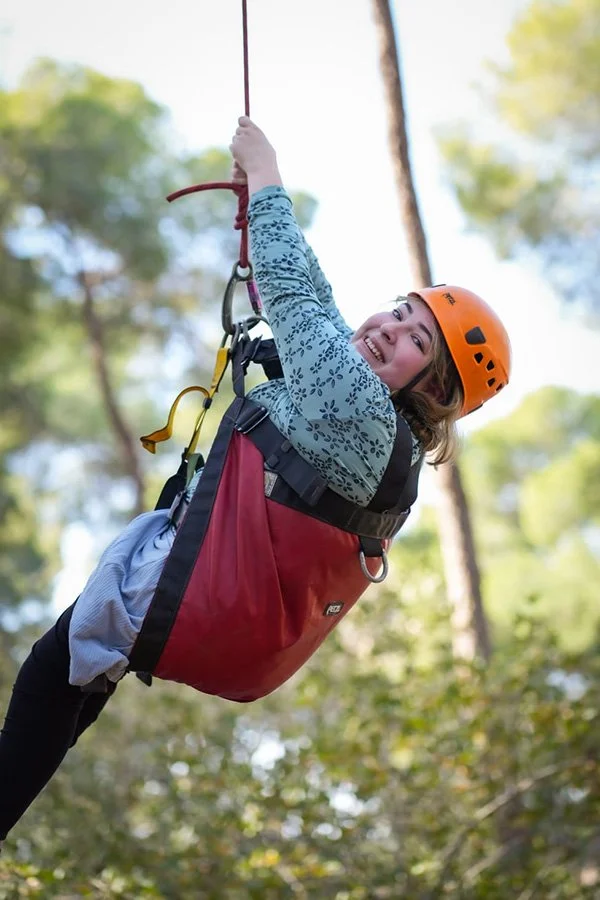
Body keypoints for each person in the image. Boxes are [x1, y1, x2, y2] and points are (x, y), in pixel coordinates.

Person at [0, 117, 511, 843]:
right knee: (75, 680)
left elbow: (296, 306)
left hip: (187, 589)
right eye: (398, 313)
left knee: (53, 672)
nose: (389, 329)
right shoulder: (363, 410)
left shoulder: (365, 413)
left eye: (413, 341)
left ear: (427, 391)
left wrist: (268, 172)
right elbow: (313, 296)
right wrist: (255, 210)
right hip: (210, 611)